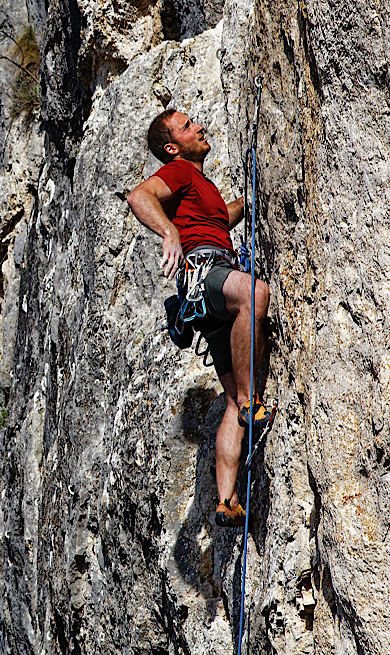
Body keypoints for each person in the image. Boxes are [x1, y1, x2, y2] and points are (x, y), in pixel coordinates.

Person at [126, 109, 271, 528]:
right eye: (187, 126)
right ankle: (251, 401)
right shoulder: (180, 171)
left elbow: (215, 222)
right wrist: (168, 232)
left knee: (228, 399)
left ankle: (225, 500)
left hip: (209, 287)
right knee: (255, 294)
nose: (199, 127)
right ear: (173, 146)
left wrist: (247, 203)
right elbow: (139, 197)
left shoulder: (199, 186)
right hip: (206, 276)